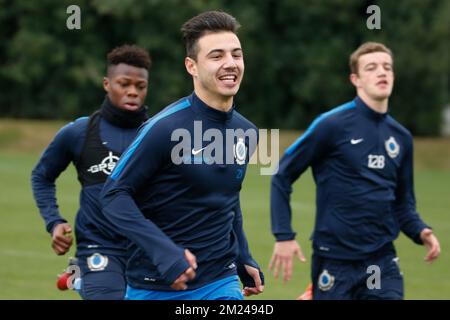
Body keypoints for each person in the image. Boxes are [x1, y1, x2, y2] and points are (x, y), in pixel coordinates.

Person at [101, 11, 264, 300]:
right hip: (155, 284)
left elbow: (227, 197)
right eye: (216, 56)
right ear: (192, 66)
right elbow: (114, 196)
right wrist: (165, 252)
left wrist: (243, 255)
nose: (230, 63)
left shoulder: (246, 132)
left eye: (236, 55)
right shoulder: (163, 128)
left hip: (220, 281)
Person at [269, 42, 441, 300]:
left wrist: (420, 230)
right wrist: (283, 235)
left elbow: (404, 203)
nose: (382, 72)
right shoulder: (331, 125)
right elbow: (282, 174)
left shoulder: (402, 138)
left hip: (381, 259)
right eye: (371, 68)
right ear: (356, 79)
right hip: (334, 259)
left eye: (387, 67)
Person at [31, 44, 151, 300]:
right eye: (124, 84)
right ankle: (86, 271)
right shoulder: (79, 133)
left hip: (148, 248)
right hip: (99, 243)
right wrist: (54, 221)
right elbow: (42, 176)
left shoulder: (157, 134)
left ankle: (78, 277)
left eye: (140, 87)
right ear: (107, 84)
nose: (132, 92)